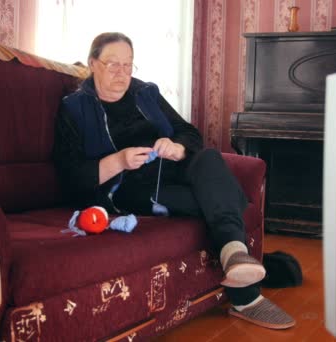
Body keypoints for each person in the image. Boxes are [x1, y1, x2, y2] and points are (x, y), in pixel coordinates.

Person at [53, 32, 295, 330]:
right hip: (127, 188)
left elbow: (189, 132)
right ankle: (245, 296)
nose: (122, 73)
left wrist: (177, 146)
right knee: (217, 197)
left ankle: (235, 255)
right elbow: (71, 178)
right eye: (112, 64)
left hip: (170, 170)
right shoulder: (74, 108)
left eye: (128, 65)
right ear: (93, 63)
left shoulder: (146, 93)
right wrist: (118, 161)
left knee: (207, 158)